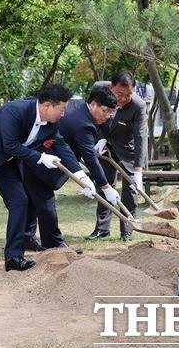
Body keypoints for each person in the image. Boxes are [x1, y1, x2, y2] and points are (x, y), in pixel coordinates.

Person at [0, 84, 96, 282]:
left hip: (4, 163)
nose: (64, 114)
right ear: (48, 105)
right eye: (62, 109)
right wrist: (40, 157)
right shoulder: (15, 111)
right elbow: (10, 145)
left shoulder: (51, 122)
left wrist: (81, 176)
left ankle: (14, 256)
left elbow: (60, 144)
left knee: (20, 200)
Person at [23, 85, 121, 250]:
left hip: (45, 155)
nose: (108, 116)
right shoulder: (83, 123)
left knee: (34, 201)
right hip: (41, 159)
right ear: (93, 104)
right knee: (45, 202)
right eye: (105, 111)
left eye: (111, 112)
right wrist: (106, 187)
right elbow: (90, 159)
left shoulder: (79, 107)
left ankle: (26, 238)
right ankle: (54, 244)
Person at [86, 71, 148, 242]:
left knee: (130, 190)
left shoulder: (138, 105)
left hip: (128, 149)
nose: (123, 98)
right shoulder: (99, 89)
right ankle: (102, 229)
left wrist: (138, 171)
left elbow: (140, 135)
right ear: (110, 87)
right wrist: (99, 138)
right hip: (104, 147)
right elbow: (90, 115)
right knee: (104, 184)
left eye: (129, 94)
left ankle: (127, 228)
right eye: (119, 94)